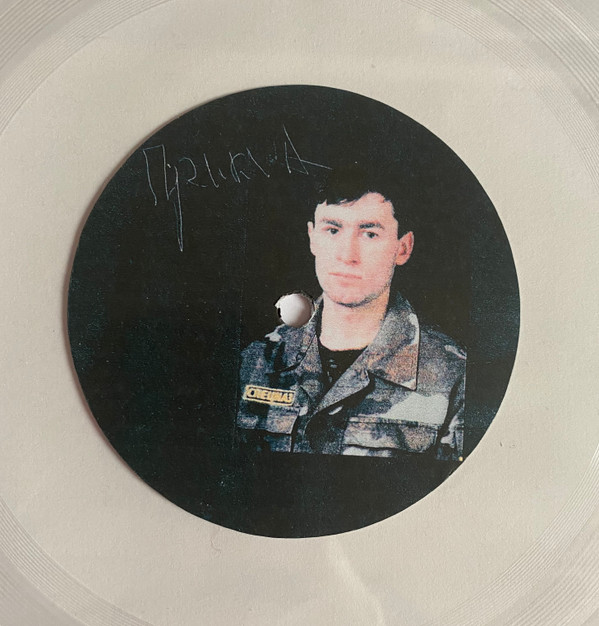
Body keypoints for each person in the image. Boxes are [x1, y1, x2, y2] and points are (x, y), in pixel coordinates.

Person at [236, 166, 466, 463]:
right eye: (332, 230)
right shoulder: (255, 361)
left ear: (403, 248)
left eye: (369, 234)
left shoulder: (453, 376)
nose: (347, 255)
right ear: (312, 238)